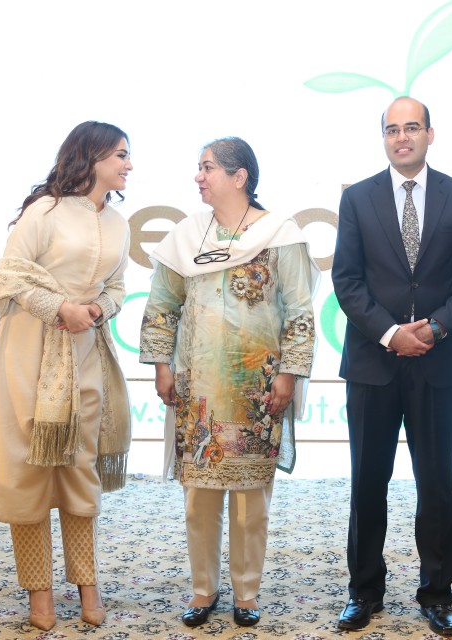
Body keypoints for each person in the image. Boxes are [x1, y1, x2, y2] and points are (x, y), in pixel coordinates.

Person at [139, 137, 317, 628]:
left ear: (240, 177)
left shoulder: (280, 234)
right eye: (199, 167)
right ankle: (203, 589)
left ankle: (246, 592)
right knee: (198, 499)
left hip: (256, 393)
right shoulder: (186, 236)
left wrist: (288, 374)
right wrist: (161, 366)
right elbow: (161, 307)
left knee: (249, 503)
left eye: (209, 167)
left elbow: (299, 312)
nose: (199, 176)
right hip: (197, 390)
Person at [0, 121, 133, 631]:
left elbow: (118, 287)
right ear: (92, 156)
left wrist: (97, 310)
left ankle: (87, 584)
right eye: (121, 154)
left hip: (85, 351)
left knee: (80, 465)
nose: (128, 164)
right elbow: (8, 276)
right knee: (30, 468)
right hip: (29, 348)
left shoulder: (119, 223)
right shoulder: (45, 211)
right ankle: (39, 592)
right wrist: (60, 307)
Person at [331, 97, 452, 637]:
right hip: (372, 364)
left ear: (430, 134)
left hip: (437, 364)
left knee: (436, 483)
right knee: (367, 483)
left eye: (412, 127)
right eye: (392, 129)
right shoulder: (357, 197)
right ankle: (363, 591)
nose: (402, 137)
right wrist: (391, 333)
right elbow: (347, 280)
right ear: (383, 137)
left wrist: (436, 328)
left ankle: (437, 594)